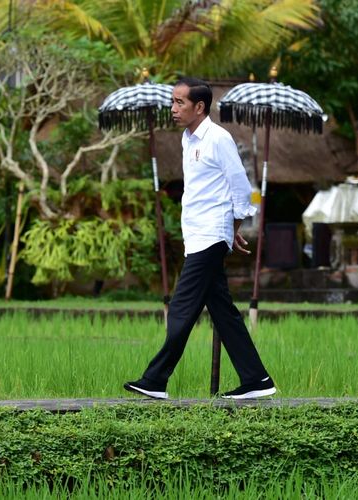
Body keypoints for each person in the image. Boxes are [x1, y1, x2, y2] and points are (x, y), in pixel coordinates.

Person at [124, 77, 275, 400]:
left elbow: (239, 186)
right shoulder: (186, 138)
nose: (173, 108)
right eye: (173, 102)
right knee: (222, 311)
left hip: (211, 233)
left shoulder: (218, 139)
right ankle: (257, 379)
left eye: (180, 102)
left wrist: (231, 228)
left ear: (200, 106)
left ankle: (155, 379)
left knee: (181, 307)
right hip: (197, 233)